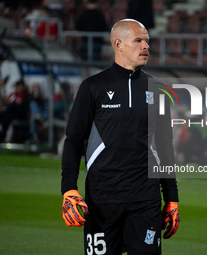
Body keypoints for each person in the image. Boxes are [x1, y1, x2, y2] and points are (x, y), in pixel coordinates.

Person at [61, 19, 179, 255]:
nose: (146, 46)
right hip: (102, 201)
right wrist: (68, 189)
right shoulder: (93, 87)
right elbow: (74, 139)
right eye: (138, 40)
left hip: (145, 200)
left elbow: (164, 146)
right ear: (119, 44)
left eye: (147, 41)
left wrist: (172, 198)